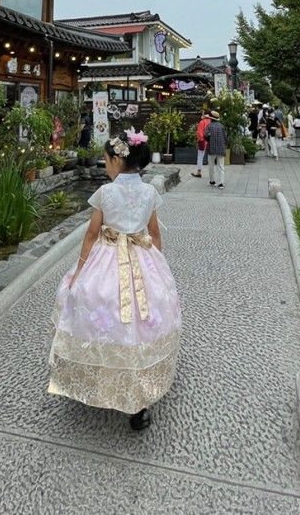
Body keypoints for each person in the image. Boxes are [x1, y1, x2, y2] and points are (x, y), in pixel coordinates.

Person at [48, 129, 181, 430]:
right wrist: (153, 267)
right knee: (139, 320)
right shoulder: (149, 192)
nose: (104, 166)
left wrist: (81, 269)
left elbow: (92, 234)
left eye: (106, 161)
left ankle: (98, 378)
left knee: (97, 305)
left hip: (107, 260)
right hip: (141, 257)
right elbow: (155, 234)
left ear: (117, 162)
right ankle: (140, 396)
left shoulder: (106, 194)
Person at [205, 110, 227, 188]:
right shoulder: (222, 126)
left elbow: (206, 136)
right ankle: (221, 183)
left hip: (211, 148)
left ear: (211, 119)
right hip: (221, 148)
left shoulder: (209, 126)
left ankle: (212, 181)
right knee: (221, 166)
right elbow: (225, 138)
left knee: (211, 165)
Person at [191, 111, 210, 178]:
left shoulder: (202, 122)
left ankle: (199, 172)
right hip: (210, 142)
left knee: (200, 156)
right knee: (211, 158)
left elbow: (199, 133)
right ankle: (212, 175)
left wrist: (200, 140)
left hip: (203, 141)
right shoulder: (211, 122)